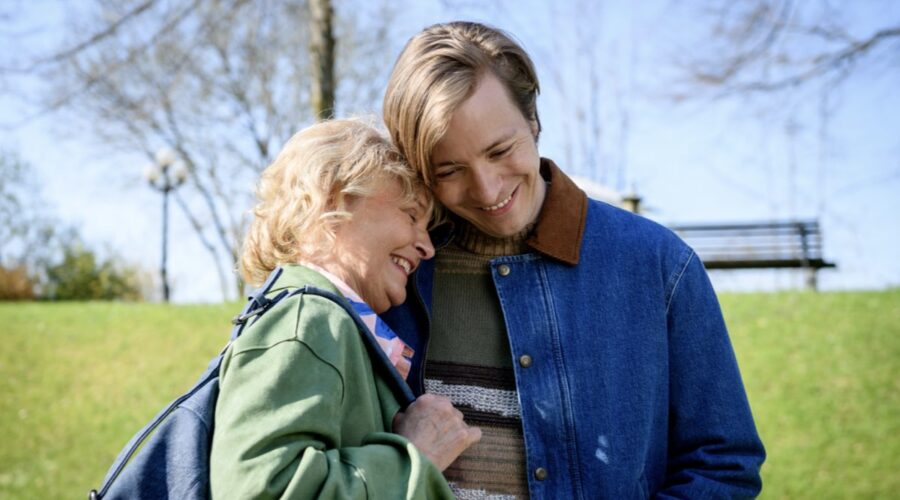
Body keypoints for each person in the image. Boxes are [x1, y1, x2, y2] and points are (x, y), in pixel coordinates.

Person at [381, 22, 766, 498]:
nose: (487, 189)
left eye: (500, 150)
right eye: (450, 170)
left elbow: (723, 465)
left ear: (533, 121)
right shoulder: (393, 274)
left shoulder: (660, 265)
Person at [209, 118, 481, 499]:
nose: (427, 247)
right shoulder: (308, 320)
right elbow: (261, 491)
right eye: (410, 215)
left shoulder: (328, 324)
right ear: (333, 199)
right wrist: (414, 457)